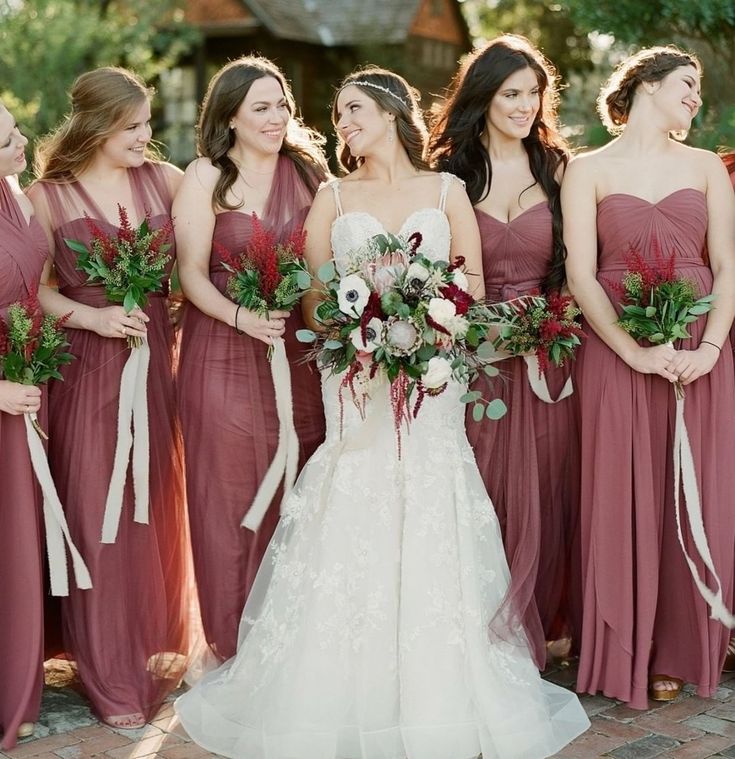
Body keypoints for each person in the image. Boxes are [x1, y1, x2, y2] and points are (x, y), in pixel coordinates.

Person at [175, 65, 589, 759]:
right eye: (338, 115)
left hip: (433, 378)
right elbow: (314, 294)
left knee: (433, 495)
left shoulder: (447, 190)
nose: (343, 125)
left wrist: (429, 327)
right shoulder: (332, 196)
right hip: (355, 382)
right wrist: (357, 335)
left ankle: (436, 688)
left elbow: (470, 286)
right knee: (356, 496)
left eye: (354, 110)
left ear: (394, 112)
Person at [562, 46, 735, 708]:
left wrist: (712, 347)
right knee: (622, 488)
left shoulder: (703, 167)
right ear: (644, 84)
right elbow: (580, 273)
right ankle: (627, 649)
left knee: (697, 487)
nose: (696, 96)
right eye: (685, 83)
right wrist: (631, 352)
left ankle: (682, 647)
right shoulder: (585, 170)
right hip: (616, 348)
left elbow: (724, 264)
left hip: (699, 345)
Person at [27, 67, 191, 728]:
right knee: (96, 504)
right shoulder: (47, 197)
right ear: (95, 125)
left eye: (148, 123)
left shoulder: (168, 181)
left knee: (148, 507)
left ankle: (144, 648)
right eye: (132, 126)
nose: (145, 137)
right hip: (87, 369)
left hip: (152, 368)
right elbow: (32, 287)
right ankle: (106, 670)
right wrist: (91, 318)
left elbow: (200, 262)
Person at [429, 34, 578, 670]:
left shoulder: (558, 168)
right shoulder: (450, 172)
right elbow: (436, 271)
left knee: (548, 486)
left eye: (534, 93)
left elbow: (576, 264)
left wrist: (550, 319)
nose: (525, 105)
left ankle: (540, 627)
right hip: (476, 360)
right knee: (482, 488)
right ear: (484, 95)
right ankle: (482, 632)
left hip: (548, 352)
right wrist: (479, 326)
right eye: (511, 93)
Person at [174, 55, 328, 664]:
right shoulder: (206, 177)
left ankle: (288, 636)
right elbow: (190, 272)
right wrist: (241, 317)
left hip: (298, 353)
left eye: (281, 104)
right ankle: (233, 641)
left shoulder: (310, 175)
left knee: (302, 488)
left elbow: (326, 267)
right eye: (260, 107)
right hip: (221, 350)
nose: (275, 117)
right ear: (230, 115)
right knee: (227, 496)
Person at [0, 103, 45, 750]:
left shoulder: (14, 195)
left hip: (28, 383)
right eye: (10, 136)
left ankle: (18, 684)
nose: (24, 140)